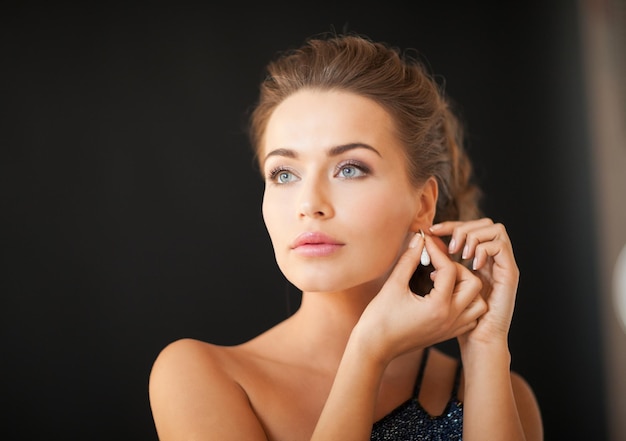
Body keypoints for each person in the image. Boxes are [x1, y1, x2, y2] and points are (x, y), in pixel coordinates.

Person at [148, 32, 543, 440]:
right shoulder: (198, 376)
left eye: (349, 169)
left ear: (423, 204)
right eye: (284, 174)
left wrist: (485, 347)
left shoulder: (502, 392)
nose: (309, 203)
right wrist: (366, 353)